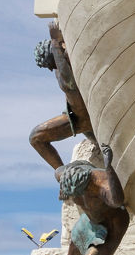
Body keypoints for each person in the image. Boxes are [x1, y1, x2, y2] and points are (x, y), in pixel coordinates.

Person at [30, 21, 98, 171]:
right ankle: (62, 173)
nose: (63, 46)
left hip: (82, 119)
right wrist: (55, 42)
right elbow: (68, 83)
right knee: (35, 138)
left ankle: (62, 173)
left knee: (35, 138)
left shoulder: (67, 63)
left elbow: (70, 83)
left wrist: (55, 42)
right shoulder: (62, 70)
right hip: (79, 119)